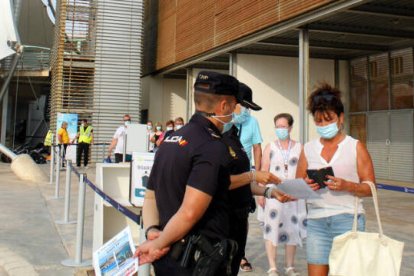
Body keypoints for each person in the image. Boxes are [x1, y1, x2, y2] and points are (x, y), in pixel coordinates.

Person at [134, 71, 241, 276]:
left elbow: (150, 195)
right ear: (224, 106)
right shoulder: (211, 146)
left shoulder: (172, 138)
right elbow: (189, 212)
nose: (234, 112)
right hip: (196, 262)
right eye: (234, 106)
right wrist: (159, 244)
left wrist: (152, 232)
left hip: (167, 257)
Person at [295, 83, 375, 276]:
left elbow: (371, 188)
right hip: (316, 221)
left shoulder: (355, 147)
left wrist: (348, 185)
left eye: (328, 120)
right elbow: (297, 185)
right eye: (319, 121)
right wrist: (306, 185)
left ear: (340, 118)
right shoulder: (308, 148)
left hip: (348, 220)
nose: (323, 125)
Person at [223, 84, 295, 276]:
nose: (243, 110)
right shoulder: (221, 129)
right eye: (242, 105)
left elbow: (256, 147)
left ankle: (240, 253)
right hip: (228, 184)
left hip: (246, 178)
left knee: (241, 217)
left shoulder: (250, 123)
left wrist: (259, 178)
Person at [260, 113, 306, 276]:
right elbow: (264, 170)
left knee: (292, 228)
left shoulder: (299, 147)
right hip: (273, 193)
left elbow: (303, 171)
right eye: (277, 126)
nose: (280, 130)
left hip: (294, 193)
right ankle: (272, 267)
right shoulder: (270, 147)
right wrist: (261, 193)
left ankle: (289, 266)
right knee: (272, 227)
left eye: (283, 127)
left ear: (291, 128)